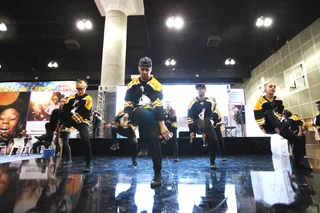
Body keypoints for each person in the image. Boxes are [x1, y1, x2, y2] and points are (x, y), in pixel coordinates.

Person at [121, 56, 171, 188]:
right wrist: (126, 115)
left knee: (154, 141)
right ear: (138, 69)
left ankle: (157, 174)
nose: (144, 72)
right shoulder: (132, 85)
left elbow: (159, 105)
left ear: (151, 69)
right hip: (137, 114)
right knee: (141, 111)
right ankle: (142, 144)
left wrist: (162, 125)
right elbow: (129, 103)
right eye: (142, 69)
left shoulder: (156, 85)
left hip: (152, 116)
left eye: (147, 69)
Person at [254, 82, 308, 170]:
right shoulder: (260, 100)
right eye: (270, 86)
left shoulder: (278, 100)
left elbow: (279, 113)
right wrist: (262, 127)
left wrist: (278, 126)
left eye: (274, 86)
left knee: (297, 141)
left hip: (278, 125)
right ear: (265, 89)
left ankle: (297, 164)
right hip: (267, 125)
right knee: (269, 112)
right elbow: (257, 114)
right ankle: (280, 127)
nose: (273, 88)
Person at [59, 79, 93, 173]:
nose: (78, 83)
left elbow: (81, 113)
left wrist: (66, 123)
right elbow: (66, 111)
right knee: (64, 140)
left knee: (86, 140)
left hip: (82, 120)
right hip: (71, 120)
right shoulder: (70, 98)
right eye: (77, 82)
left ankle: (88, 163)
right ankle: (68, 159)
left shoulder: (88, 98)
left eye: (81, 82)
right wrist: (62, 123)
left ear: (86, 86)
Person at [187, 83, 219, 170]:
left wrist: (212, 121)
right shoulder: (192, 102)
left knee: (215, 141)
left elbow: (215, 113)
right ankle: (205, 138)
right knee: (203, 121)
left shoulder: (210, 102)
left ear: (205, 90)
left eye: (202, 89)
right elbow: (189, 117)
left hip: (207, 123)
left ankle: (212, 161)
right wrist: (191, 131)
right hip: (197, 123)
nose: (200, 90)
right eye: (198, 89)